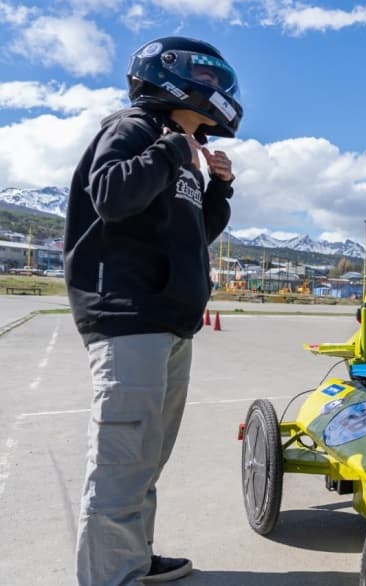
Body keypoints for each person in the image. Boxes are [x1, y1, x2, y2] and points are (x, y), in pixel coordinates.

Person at [65, 36, 243, 585]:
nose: (217, 89)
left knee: (146, 459)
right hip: (129, 317)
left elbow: (193, 234)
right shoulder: (134, 129)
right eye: (206, 77)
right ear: (169, 78)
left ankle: (133, 560)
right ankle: (109, 577)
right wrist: (171, 149)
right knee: (121, 464)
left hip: (170, 323)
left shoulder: (180, 151)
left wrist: (218, 188)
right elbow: (112, 195)